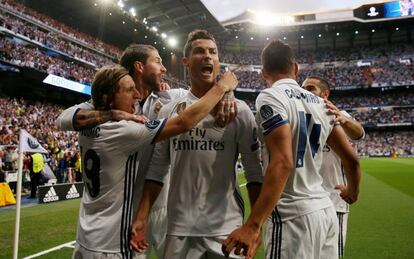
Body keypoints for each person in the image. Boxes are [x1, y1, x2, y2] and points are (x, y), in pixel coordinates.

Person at [56, 44, 237, 258]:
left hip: (158, 203)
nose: (164, 69)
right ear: (140, 66)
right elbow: (62, 119)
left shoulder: (171, 96)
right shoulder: (107, 110)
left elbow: (201, 99)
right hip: (124, 215)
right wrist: (115, 114)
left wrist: (228, 93)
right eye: (158, 61)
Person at [222, 40, 361, 259]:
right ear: (295, 68)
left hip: (292, 216)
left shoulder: (270, 96)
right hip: (326, 213)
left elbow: (283, 161)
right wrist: (352, 192)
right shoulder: (320, 103)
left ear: (263, 73)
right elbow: (351, 159)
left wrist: (252, 225)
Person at [130, 29, 263, 259]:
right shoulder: (172, 110)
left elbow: (253, 173)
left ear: (219, 61)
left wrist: (254, 226)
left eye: (213, 52)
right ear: (186, 62)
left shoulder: (239, 111)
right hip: (179, 229)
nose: (207, 56)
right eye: (199, 51)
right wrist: (142, 216)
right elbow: (157, 169)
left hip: (227, 228)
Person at [302, 76, 365, 257]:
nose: (305, 91)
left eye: (311, 88)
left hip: (334, 202)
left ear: (325, 94)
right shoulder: (296, 116)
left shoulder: (338, 115)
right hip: (304, 202)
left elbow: (359, 133)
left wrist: (344, 121)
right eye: (303, 87)